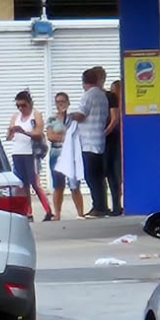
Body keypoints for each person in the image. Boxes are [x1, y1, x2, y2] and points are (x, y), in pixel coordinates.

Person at [67, 66, 116, 217]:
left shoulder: (88, 95)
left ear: (84, 82)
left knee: (91, 176)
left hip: (88, 142)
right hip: (99, 140)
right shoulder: (102, 96)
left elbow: (81, 115)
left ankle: (98, 207)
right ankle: (103, 206)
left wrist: (68, 115)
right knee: (99, 177)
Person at [5, 90, 54, 220]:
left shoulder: (35, 115)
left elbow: (38, 133)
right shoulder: (15, 117)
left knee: (34, 183)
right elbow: (8, 137)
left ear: (29, 104)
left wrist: (24, 132)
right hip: (17, 152)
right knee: (22, 184)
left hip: (30, 153)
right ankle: (28, 212)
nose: (21, 108)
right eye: (18, 106)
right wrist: (11, 132)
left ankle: (48, 210)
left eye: (23, 105)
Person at [46, 91, 84, 220]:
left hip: (70, 152)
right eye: (58, 102)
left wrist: (64, 137)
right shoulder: (52, 119)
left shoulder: (72, 118)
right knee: (58, 185)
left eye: (63, 102)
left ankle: (80, 213)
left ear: (68, 103)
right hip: (56, 153)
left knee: (74, 184)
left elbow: (76, 134)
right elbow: (50, 136)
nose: (60, 104)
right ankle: (57, 213)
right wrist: (66, 137)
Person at [104, 78, 126, 216]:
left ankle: (120, 205)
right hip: (110, 143)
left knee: (118, 175)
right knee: (112, 175)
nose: (115, 93)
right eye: (114, 90)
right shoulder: (109, 106)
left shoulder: (126, 107)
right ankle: (116, 206)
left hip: (120, 143)